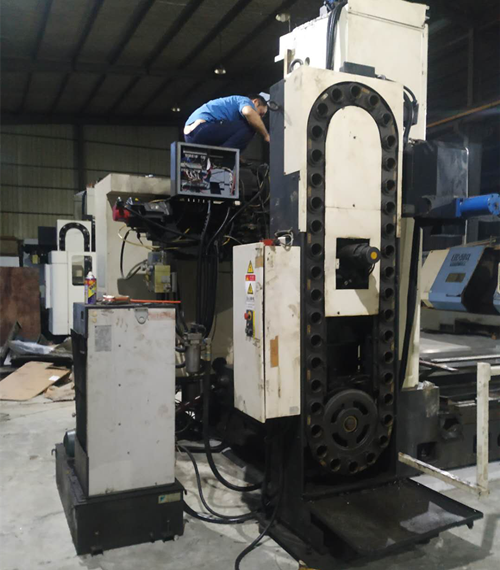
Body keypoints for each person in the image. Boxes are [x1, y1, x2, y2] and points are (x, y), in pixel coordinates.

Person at [183, 94, 269, 152]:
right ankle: (224, 157)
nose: (259, 117)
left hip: (190, 137)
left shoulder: (230, 106)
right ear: (255, 101)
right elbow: (248, 112)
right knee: (252, 126)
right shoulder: (245, 100)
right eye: (260, 113)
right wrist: (266, 135)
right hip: (202, 129)